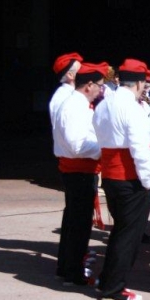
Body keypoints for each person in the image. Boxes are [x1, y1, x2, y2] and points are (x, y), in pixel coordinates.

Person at [92, 59, 150, 300]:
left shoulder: (104, 103)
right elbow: (141, 149)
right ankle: (113, 286)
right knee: (127, 236)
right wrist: (147, 182)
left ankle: (107, 279)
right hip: (129, 176)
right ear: (139, 83)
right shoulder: (132, 108)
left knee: (121, 232)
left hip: (110, 173)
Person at [52, 62, 107, 285]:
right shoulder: (74, 105)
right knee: (79, 224)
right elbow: (77, 146)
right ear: (89, 85)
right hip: (79, 169)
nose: (101, 91)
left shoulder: (77, 103)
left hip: (79, 168)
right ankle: (73, 272)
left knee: (74, 221)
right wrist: (104, 150)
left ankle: (67, 268)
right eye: (100, 86)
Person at [48, 52, 83, 127]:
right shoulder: (65, 97)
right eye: (80, 70)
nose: (84, 73)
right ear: (70, 75)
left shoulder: (69, 94)